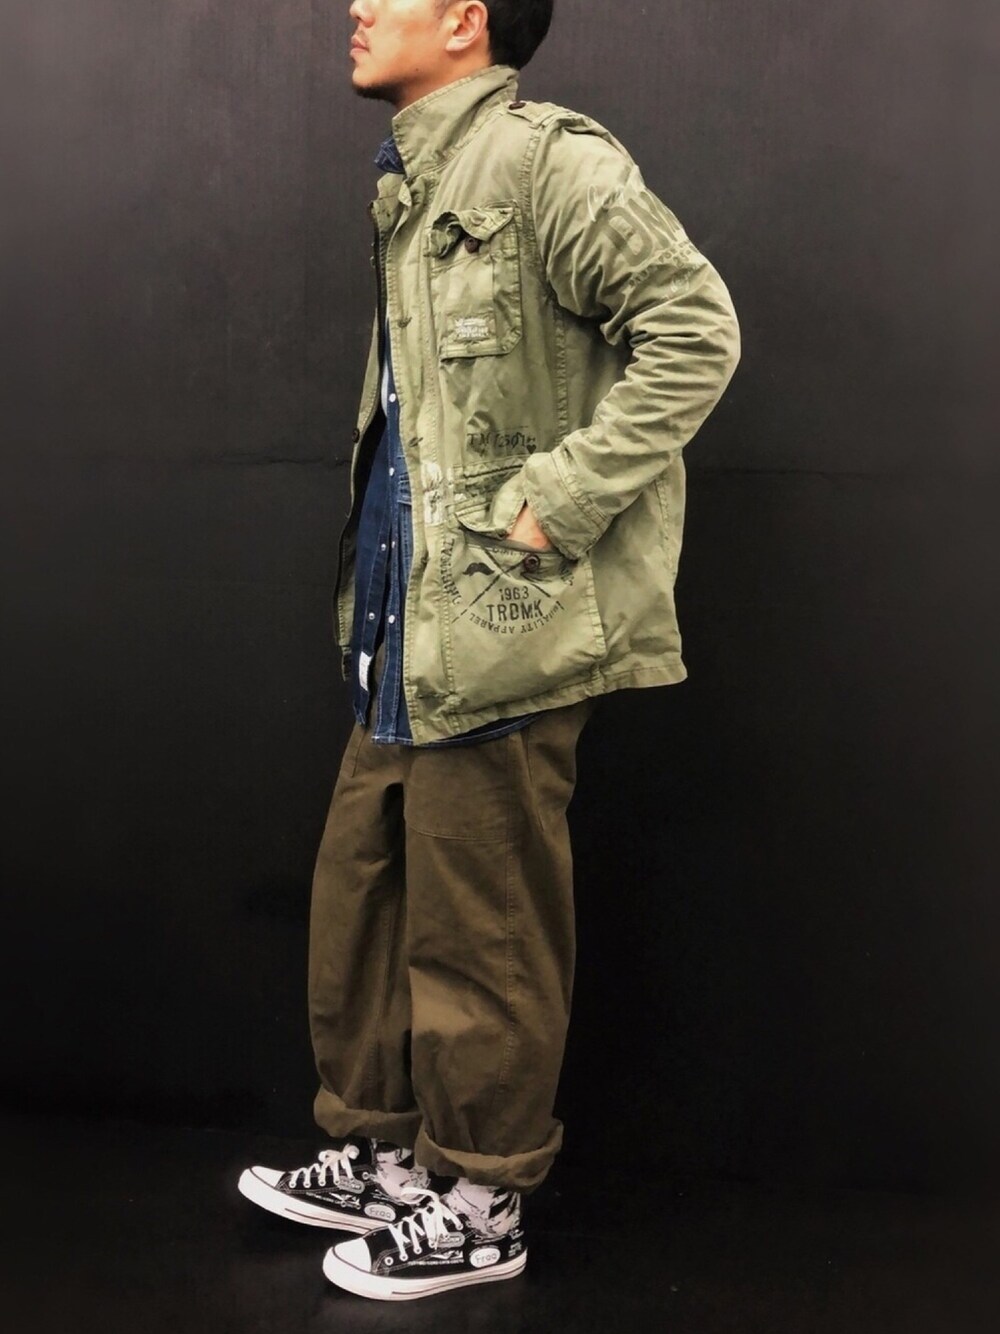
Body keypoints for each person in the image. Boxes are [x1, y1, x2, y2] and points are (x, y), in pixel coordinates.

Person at [238, 0, 740, 1302]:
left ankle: (480, 1195)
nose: (357, 7)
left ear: (467, 20)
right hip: (406, 627)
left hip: (499, 631)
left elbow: (694, 327)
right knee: (368, 896)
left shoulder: (544, 161)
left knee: (483, 924)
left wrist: (559, 498)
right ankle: (385, 1152)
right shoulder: (416, 180)